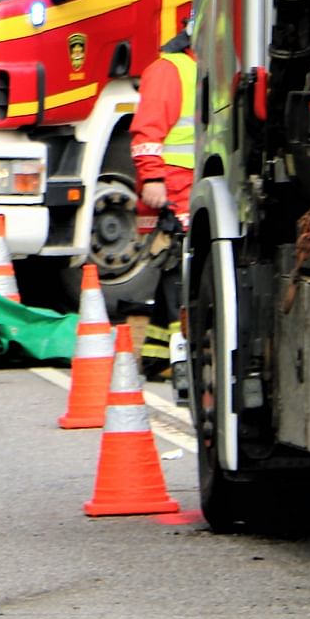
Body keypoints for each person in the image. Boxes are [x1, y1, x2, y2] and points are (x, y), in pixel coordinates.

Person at [131, 27, 196, 382]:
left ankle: (157, 356)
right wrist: (153, 177)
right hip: (175, 185)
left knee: (174, 266)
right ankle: (183, 356)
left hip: (190, 183)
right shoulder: (169, 69)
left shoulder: (196, 68)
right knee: (179, 270)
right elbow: (148, 130)